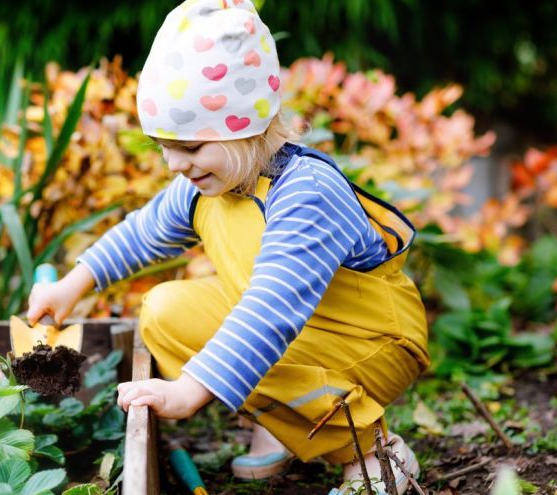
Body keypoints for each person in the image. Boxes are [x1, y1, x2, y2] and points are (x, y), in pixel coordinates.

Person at [26, 0, 430, 493]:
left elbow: (270, 312)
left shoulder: (305, 192)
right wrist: (74, 284)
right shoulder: (210, 183)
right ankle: (282, 425)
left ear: (249, 127)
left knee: (252, 349)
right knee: (164, 310)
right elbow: (143, 231)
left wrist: (190, 391)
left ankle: (374, 453)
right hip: (302, 331)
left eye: (190, 147)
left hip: (370, 341)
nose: (174, 163)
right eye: (163, 145)